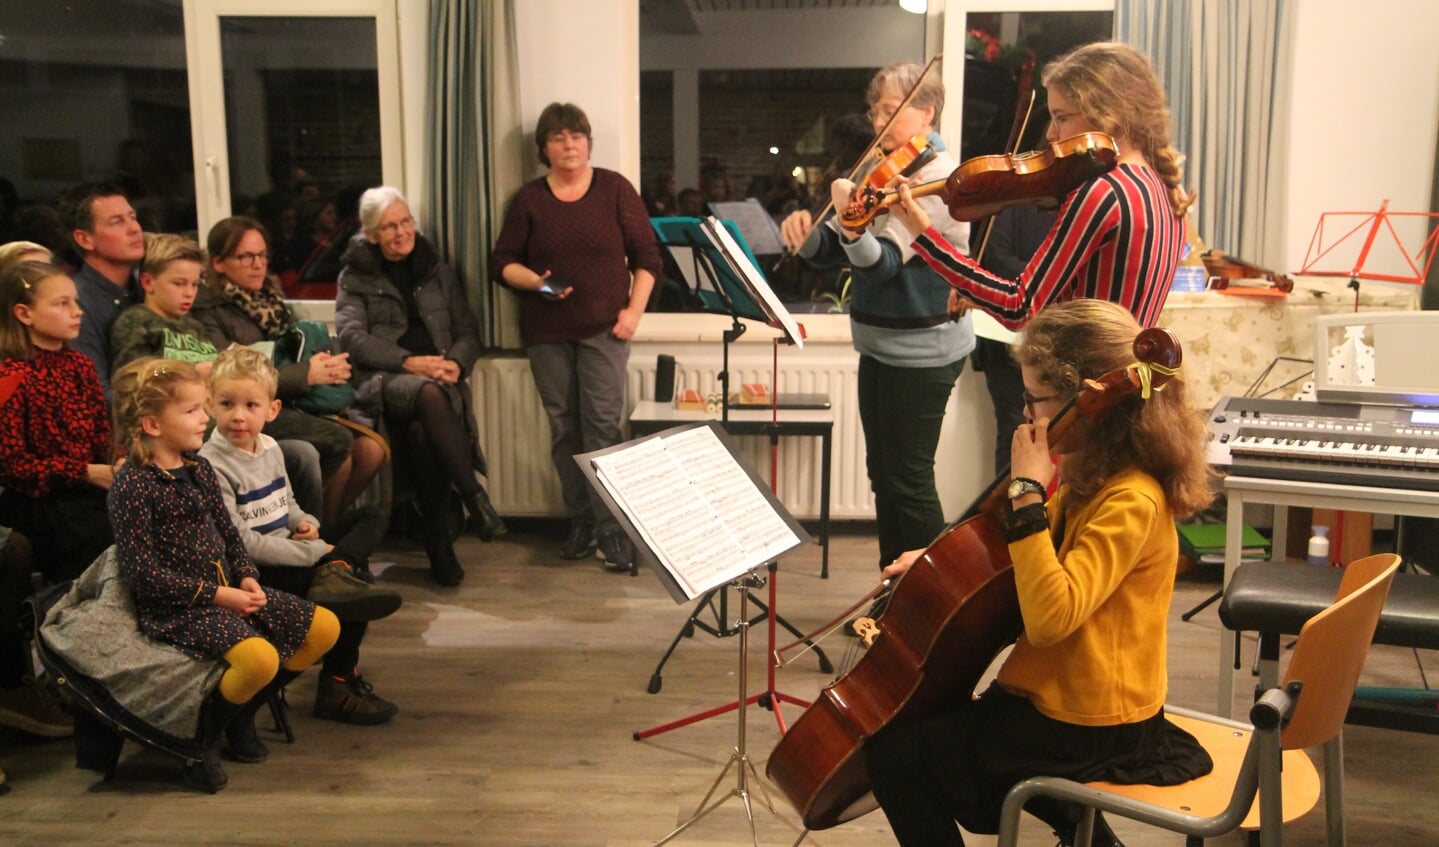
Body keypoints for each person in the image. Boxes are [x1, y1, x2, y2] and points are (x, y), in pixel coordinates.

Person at [865, 299, 1215, 847]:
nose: (1027, 415)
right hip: (1068, 699)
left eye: (1036, 400)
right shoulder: (1096, 478)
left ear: (1090, 404)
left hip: (1092, 721)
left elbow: (1052, 616)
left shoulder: (1132, 499)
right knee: (943, 731)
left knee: (895, 755)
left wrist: (1027, 489)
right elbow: (1029, 558)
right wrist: (936, 569)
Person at [108, 357, 340, 792]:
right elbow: (144, 575)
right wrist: (218, 596)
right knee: (259, 658)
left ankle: (240, 714)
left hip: (227, 592)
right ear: (153, 425)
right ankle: (199, 740)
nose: (205, 418)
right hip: (180, 609)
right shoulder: (134, 486)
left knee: (324, 628)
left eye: (202, 408)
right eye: (193, 410)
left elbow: (232, 540)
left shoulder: (199, 468)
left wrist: (247, 577)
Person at [779, 63, 975, 572]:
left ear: (926, 111)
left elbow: (879, 264)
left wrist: (846, 229)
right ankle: (894, 596)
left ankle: (935, 605)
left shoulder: (939, 181)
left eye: (890, 110)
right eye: (876, 110)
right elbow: (841, 243)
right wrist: (810, 233)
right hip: (880, 345)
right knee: (883, 478)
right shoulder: (886, 164)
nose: (879, 121)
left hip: (923, 351)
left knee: (908, 481)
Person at [888, 41, 1191, 331]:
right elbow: (1097, 306)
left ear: (1107, 113)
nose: (1050, 134)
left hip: (1082, 378)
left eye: (1061, 118)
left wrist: (924, 236)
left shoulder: (1104, 192)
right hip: (1126, 377)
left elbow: (1019, 308)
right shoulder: (1163, 187)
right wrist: (982, 298)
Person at [490, 102, 662, 571]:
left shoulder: (614, 189)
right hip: (547, 333)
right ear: (544, 148)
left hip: (606, 330)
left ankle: (612, 530)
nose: (569, 144)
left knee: (603, 429)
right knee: (565, 430)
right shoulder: (529, 199)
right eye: (558, 137)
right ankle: (581, 522)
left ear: (588, 142)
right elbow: (501, 262)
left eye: (576, 136)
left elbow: (648, 258)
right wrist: (538, 283)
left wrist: (633, 313)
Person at [198, 347, 400, 730]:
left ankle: (337, 569)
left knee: (370, 517)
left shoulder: (271, 447)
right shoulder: (212, 465)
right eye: (227, 403)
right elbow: (241, 545)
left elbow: (287, 502)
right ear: (210, 404)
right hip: (258, 572)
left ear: (271, 410)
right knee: (354, 587)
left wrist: (305, 521)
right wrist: (310, 552)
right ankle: (338, 684)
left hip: (292, 547)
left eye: (250, 405)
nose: (238, 415)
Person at [336, 186, 505, 587]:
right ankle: (471, 496)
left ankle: (438, 545)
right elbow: (351, 338)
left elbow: (467, 331)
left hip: (439, 384)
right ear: (371, 233)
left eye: (406, 221)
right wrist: (408, 362)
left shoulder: (436, 270)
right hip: (384, 381)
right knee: (425, 393)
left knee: (421, 433)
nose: (402, 232)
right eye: (390, 226)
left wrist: (455, 363)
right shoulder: (354, 276)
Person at [193, 216, 385, 526]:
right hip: (249, 409)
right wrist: (306, 375)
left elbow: (293, 351)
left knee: (372, 450)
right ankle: (314, 535)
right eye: (246, 257)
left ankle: (327, 533)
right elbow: (233, 381)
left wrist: (329, 368)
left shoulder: (270, 300)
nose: (258, 264)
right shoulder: (208, 311)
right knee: (339, 443)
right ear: (218, 263)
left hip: (290, 400)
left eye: (262, 255)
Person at [0, 260, 110, 741]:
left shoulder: (79, 365)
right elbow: (11, 465)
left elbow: (100, 440)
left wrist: (112, 470)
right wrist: (84, 472)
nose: (76, 312)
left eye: (76, 301)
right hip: (35, 500)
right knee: (100, 541)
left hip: (85, 489)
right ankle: (87, 675)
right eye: (61, 303)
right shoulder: (9, 374)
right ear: (24, 313)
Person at [56, 182, 146, 401]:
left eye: (132, 217)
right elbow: (96, 396)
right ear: (85, 239)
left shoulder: (149, 288)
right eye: (117, 222)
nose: (134, 228)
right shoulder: (76, 302)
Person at [109, 232, 219, 382]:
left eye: (194, 285)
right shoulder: (136, 321)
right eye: (179, 283)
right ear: (148, 282)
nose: (189, 293)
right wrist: (191, 371)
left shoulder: (195, 325)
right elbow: (134, 378)